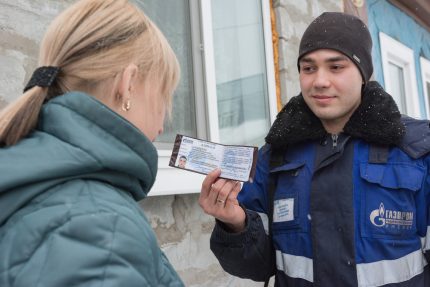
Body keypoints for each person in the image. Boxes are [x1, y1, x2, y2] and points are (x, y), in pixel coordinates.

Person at [199, 12, 430, 287]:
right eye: (308, 68)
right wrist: (235, 224)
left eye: (336, 67)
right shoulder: (274, 157)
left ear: (363, 74)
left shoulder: (417, 151)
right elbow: (257, 267)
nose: (319, 81)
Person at [0, 0, 184, 286]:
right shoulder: (100, 229)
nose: (162, 125)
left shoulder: (32, 178)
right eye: (163, 98)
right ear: (129, 84)